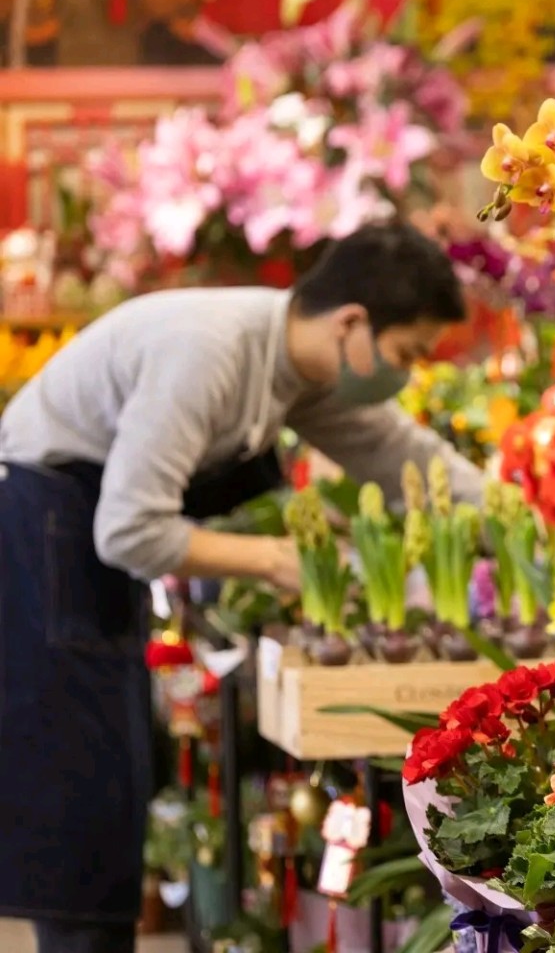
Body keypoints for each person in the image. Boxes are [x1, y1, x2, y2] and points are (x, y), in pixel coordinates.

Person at [0, 221, 483, 953]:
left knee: (114, 784)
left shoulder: (301, 367)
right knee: (79, 795)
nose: (406, 375)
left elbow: (399, 453)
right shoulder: (210, 351)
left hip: (81, 550)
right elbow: (128, 531)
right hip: (48, 535)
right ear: (352, 322)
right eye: (406, 354)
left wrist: (520, 511)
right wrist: (273, 560)